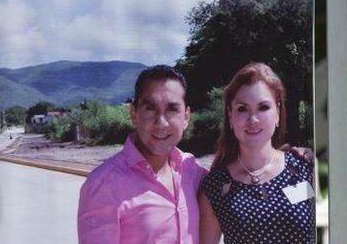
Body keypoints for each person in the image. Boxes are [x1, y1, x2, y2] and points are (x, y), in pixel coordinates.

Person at [78, 65, 207, 244]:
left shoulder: (194, 173)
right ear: (133, 113)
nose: (161, 122)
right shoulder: (104, 185)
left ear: (186, 117)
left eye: (172, 109)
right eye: (150, 108)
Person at [199, 63, 315, 244]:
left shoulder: (305, 168)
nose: (253, 119)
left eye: (263, 107)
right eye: (242, 109)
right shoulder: (215, 187)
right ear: (230, 115)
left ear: (277, 112)